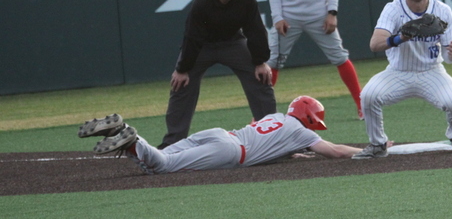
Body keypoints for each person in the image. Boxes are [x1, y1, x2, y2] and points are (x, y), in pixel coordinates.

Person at [353, 0, 452, 159]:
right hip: (398, 72)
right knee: (368, 96)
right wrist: (399, 38)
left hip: (432, 71)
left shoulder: (442, 10)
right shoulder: (393, 9)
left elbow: (448, 57)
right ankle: (377, 144)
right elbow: (375, 44)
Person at [159, 0, 276, 148]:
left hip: (233, 43)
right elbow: (192, 38)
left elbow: (255, 30)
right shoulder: (202, 3)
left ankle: (273, 137)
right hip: (203, 47)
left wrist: (260, 62)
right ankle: (173, 143)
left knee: (261, 77)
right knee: (181, 84)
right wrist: (182, 69)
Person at [78, 96, 364, 173]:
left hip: (219, 134)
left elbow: (271, 144)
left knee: (159, 159)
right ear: (309, 117)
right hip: (230, 152)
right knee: (162, 166)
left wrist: (292, 155)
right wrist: (368, 150)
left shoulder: (276, 117)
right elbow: (335, 151)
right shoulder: (300, 132)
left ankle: (124, 135)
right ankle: (131, 138)